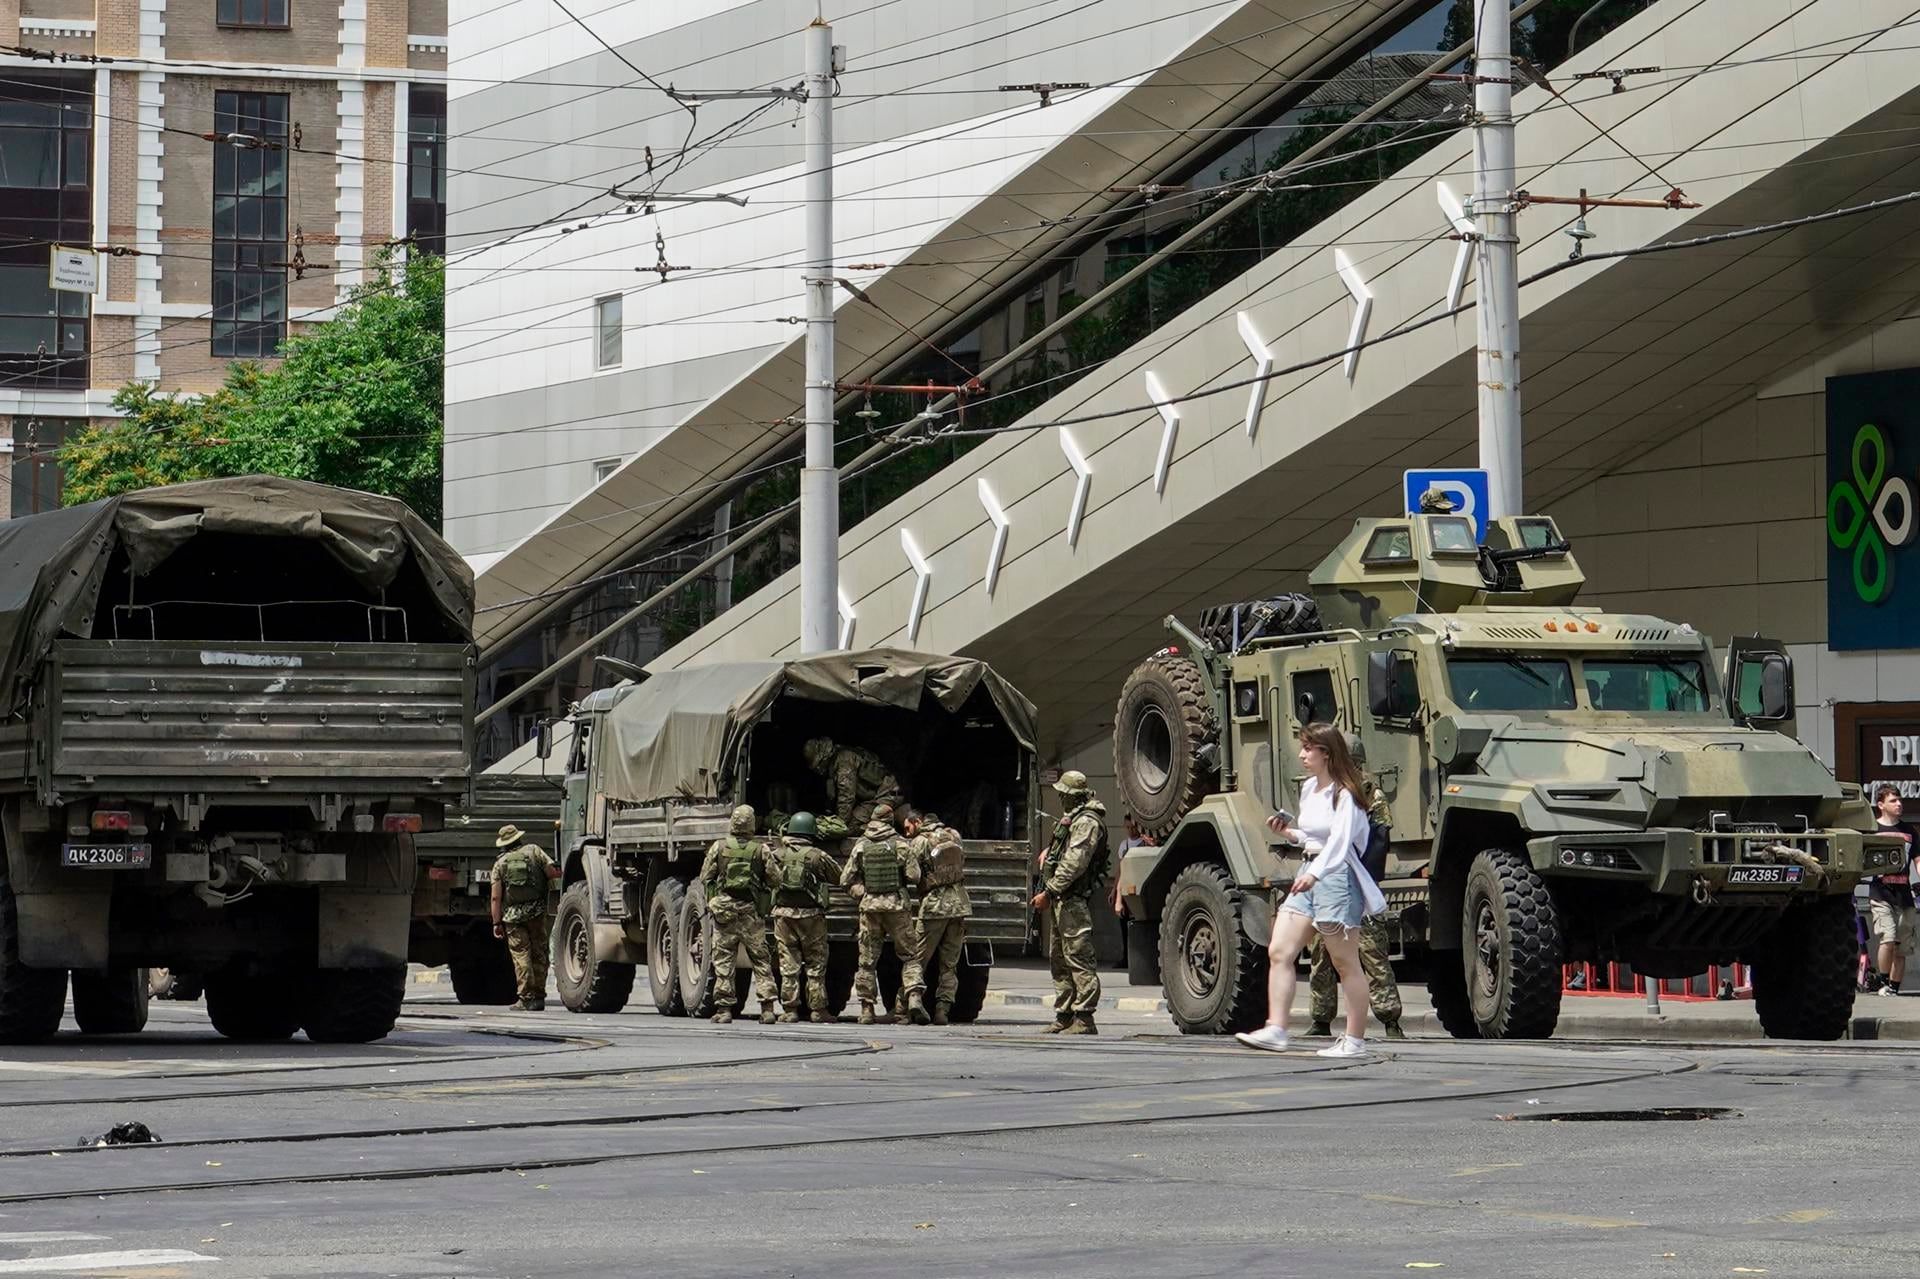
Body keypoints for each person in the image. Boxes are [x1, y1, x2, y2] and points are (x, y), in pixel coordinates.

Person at [1235, 723, 1387, 1058]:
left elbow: (1340, 842)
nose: (1302, 755)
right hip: (1310, 870)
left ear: (1327, 753)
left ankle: (1354, 1041)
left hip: (1336, 876)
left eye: (1308, 749)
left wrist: (1315, 874)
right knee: (1279, 950)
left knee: (1345, 962)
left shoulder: (1346, 793)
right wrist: (1290, 834)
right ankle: (1276, 1028)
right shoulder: (1308, 789)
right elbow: (1315, 836)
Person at [1307, 780, 1404, 1039]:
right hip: (1328, 882)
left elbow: (1379, 838)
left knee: (1372, 954)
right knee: (1321, 954)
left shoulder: (1369, 793)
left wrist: (1364, 877)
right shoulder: (1321, 789)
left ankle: (1390, 1019)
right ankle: (1320, 1019)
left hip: (1356, 880)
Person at [840, 802, 928, 1025]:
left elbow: (845, 880)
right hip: (897, 907)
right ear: (890, 821)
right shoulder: (900, 844)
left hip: (870, 908)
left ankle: (867, 1010)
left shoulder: (861, 845)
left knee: (867, 962)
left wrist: (864, 893)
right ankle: (914, 996)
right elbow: (914, 876)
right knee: (910, 956)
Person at [1033, 770, 1106, 1035]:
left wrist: (1049, 891)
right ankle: (1064, 1014)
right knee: (1059, 959)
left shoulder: (1087, 821)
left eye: (1063, 794)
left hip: (1071, 900)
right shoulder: (1073, 819)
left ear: (1072, 796)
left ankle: (1084, 1018)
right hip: (1062, 900)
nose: (1061, 798)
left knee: (1078, 957)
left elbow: (1075, 862)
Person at [698, 804, 781, 1025]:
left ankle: (724, 1010)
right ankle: (767, 1009)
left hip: (725, 912)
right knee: (761, 960)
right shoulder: (760, 849)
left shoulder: (719, 847)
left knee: (724, 960)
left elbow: (706, 876)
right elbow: (775, 879)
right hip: (751, 913)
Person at [769, 810, 843, 1023]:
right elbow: (839, 877)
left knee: (788, 964)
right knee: (816, 965)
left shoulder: (779, 854)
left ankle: (790, 1010)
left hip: (783, 915)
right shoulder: (817, 856)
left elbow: (766, 877)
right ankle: (818, 1010)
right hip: (811, 916)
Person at [906, 809, 970, 1025]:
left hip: (933, 906)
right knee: (949, 964)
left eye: (908, 827)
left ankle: (913, 1000)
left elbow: (912, 874)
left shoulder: (919, 842)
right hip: (959, 904)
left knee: (917, 958)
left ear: (918, 822)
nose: (907, 832)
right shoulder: (955, 835)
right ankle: (943, 1010)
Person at [490, 823, 560, 1011]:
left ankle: (525, 997)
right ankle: (538, 997)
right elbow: (552, 873)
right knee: (539, 953)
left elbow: (496, 897)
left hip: (513, 917)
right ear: (519, 838)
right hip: (537, 912)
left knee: (521, 955)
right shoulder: (534, 851)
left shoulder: (500, 863)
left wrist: (496, 922)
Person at [1869, 785, 1918, 996]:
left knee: (1902, 946)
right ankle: (1882, 982)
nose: (1899, 804)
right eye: (1893, 801)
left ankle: (1894, 989)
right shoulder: (1872, 830)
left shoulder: (1909, 831)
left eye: (1899, 800)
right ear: (1881, 805)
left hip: (1905, 893)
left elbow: (1918, 859)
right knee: (1887, 937)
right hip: (1881, 892)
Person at [803, 736, 905, 829]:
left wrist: (839, 825)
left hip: (886, 794)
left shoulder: (844, 760)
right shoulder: (836, 762)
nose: (819, 769)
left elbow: (846, 796)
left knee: (851, 826)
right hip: (874, 796)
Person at [1113, 814, 1155, 968]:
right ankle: (1126, 958)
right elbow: (1121, 870)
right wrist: (1114, 893)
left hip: (1142, 889)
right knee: (1124, 925)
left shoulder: (1146, 842)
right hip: (1126, 888)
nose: (1130, 830)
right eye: (1127, 827)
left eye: (1132, 827)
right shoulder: (1124, 845)